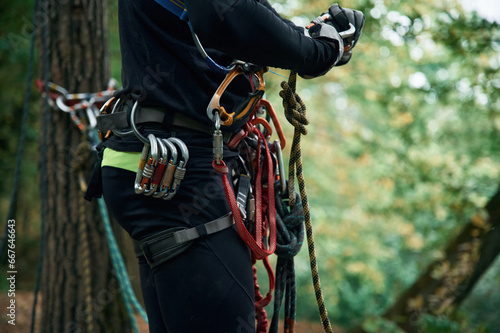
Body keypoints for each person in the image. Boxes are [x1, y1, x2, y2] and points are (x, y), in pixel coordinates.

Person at [87, 0, 364, 332]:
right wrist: (314, 51)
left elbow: (238, 21)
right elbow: (223, 14)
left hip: (161, 167)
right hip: (180, 177)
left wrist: (313, 39)